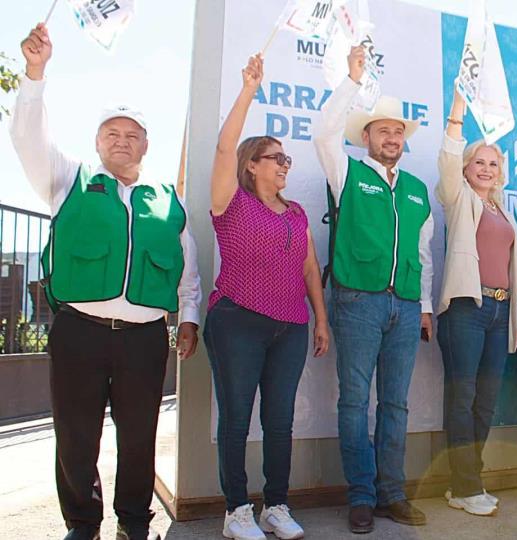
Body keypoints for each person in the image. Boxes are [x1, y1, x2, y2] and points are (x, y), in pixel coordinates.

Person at [10, 23, 201, 540]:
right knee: (75, 437)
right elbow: (27, 136)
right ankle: (82, 523)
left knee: (139, 438)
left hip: (143, 339)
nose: (122, 141)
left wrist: (188, 318)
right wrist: (35, 74)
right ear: (97, 143)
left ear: (146, 144)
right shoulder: (67, 179)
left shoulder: (167, 201)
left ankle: (134, 522)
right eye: (112, 135)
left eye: (132, 135)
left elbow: (188, 269)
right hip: (80, 333)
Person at [204, 54, 329, 540]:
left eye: (286, 160)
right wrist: (248, 91)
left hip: (290, 325)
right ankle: (237, 511)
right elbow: (220, 150)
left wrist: (319, 319)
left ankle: (276, 505)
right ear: (252, 164)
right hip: (237, 320)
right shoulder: (229, 201)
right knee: (237, 419)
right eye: (276, 158)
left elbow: (308, 267)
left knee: (280, 421)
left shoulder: (296, 212)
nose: (284, 165)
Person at [313, 45, 434, 534]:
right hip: (356, 301)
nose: (391, 136)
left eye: (398, 131)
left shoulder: (417, 189)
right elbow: (323, 134)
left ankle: (392, 493)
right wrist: (351, 80)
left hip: (404, 307)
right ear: (366, 136)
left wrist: (424, 307)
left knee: (396, 403)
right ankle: (361, 495)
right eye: (382, 129)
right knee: (353, 402)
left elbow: (424, 256)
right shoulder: (348, 174)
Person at [436, 91, 517, 516]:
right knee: (462, 398)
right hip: (467, 310)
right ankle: (466, 487)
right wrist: (457, 112)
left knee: (486, 401)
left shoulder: (502, 209)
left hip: (499, 311)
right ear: (467, 169)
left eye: (493, 163)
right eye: (479, 162)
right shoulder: (459, 198)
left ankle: (468, 483)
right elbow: (448, 160)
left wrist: (514, 317)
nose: (486, 169)